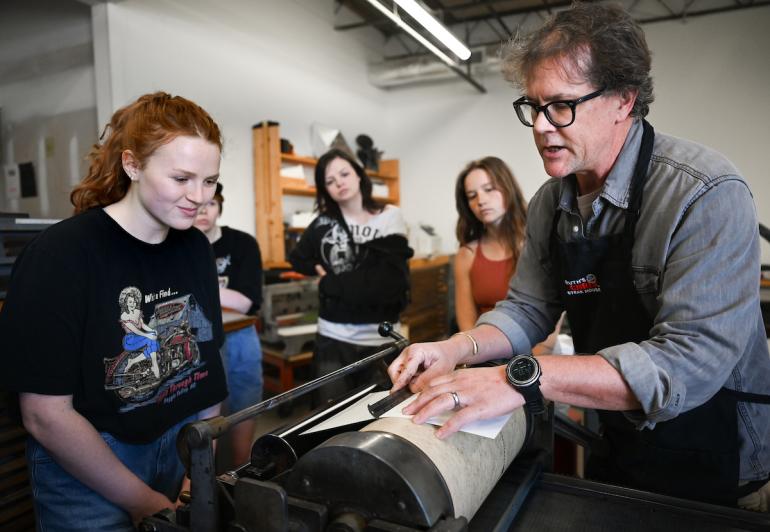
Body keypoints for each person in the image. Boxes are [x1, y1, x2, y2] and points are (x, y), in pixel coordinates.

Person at [388, 2, 770, 510]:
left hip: (720, 459)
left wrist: (514, 378)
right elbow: (527, 309)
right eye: (534, 106)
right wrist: (456, 349)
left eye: (562, 106)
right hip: (620, 441)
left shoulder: (703, 193)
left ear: (623, 100)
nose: (542, 127)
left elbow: (686, 365)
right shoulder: (552, 202)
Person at [0, 92, 228, 530]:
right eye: (181, 178)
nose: (197, 197)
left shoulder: (196, 248)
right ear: (133, 165)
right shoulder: (61, 255)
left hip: (181, 445)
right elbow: (45, 414)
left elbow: (206, 367)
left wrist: (197, 471)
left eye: (209, 181)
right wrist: (140, 500)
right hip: (90, 465)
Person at [289, 148, 413, 403]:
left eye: (344, 174)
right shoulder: (324, 223)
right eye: (330, 181)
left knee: (378, 417)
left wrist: (332, 284)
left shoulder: (389, 216)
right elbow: (298, 258)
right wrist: (319, 272)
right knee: (329, 417)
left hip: (381, 339)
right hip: (334, 338)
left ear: (358, 174)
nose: (339, 183)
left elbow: (388, 284)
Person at [194, 182, 263, 467]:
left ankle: (240, 466)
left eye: (210, 203)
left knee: (245, 400)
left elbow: (246, 301)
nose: (203, 211)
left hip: (239, 335)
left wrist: (199, 287)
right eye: (197, 205)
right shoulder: (176, 245)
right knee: (201, 411)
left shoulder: (242, 243)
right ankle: (201, 479)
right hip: (196, 336)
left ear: (219, 207)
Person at [453, 157, 527, 332]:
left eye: (489, 189)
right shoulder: (466, 255)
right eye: (472, 195)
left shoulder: (538, 242)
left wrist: (526, 360)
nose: (481, 200)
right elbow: (467, 329)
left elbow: (551, 325)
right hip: (487, 354)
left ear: (508, 188)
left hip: (538, 354)